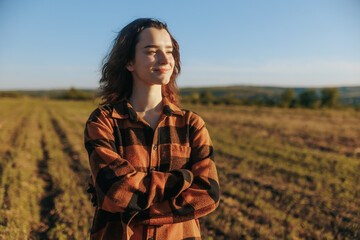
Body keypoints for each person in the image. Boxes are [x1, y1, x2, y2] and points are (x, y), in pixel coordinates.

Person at [84, 18, 219, 240]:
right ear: (129, 62)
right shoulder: (104, 121)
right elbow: (116, 190)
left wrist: (131, 210)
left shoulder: (192, 124)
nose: (165, 59)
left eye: (169, 51)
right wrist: (184, 179)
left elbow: (208, 194)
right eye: (152, 51)